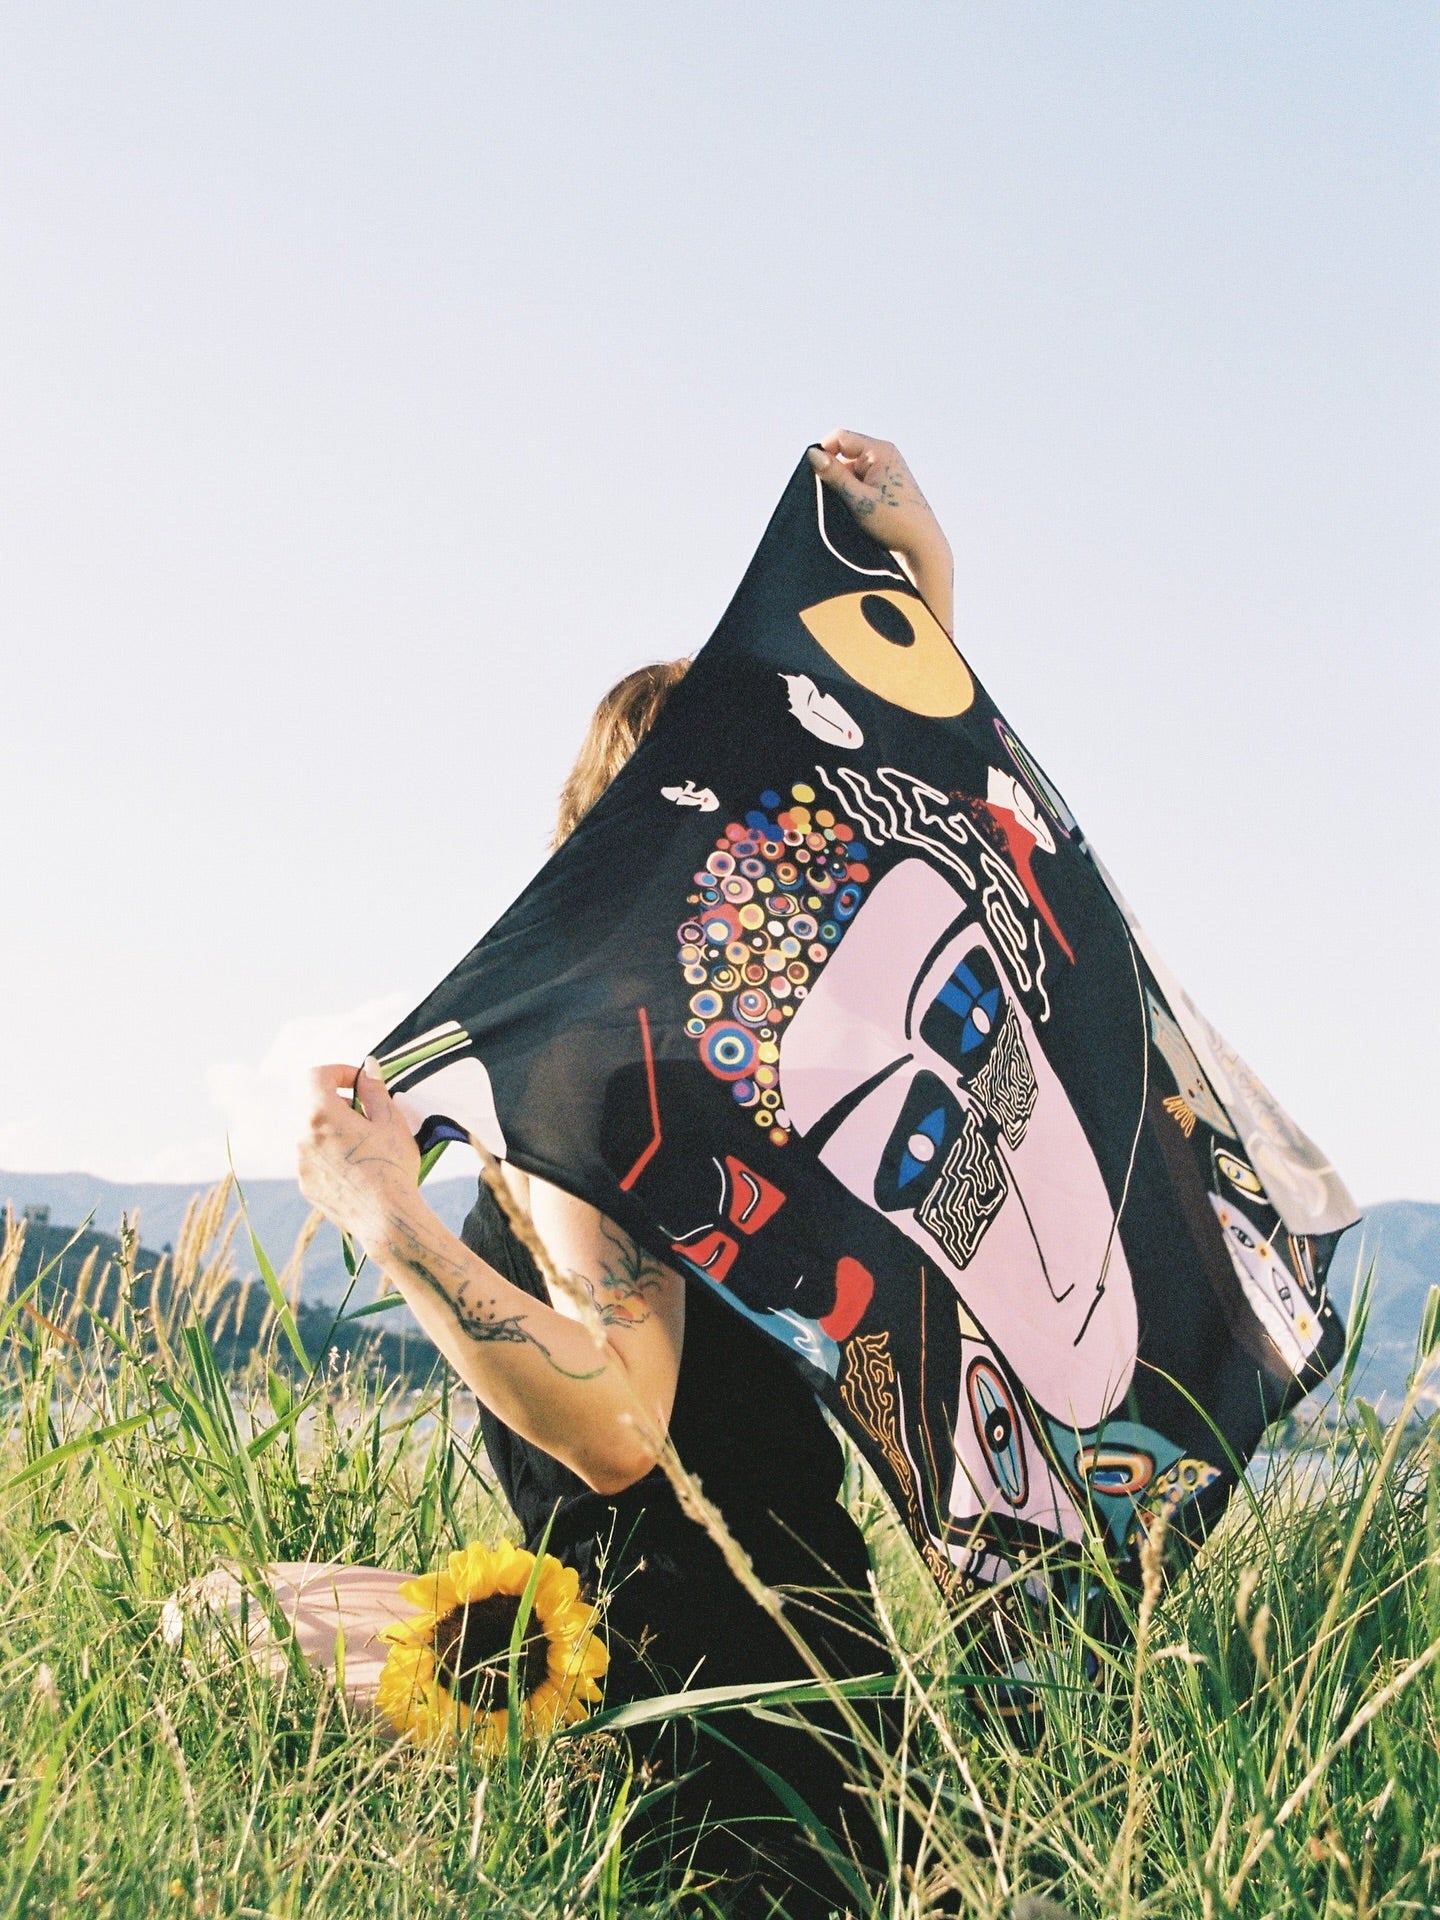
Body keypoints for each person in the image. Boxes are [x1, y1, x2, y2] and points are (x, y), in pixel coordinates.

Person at [296, 432, 956, 1917]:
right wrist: (924, 582)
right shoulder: (703, 1094)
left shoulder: (646, 1092)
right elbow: (621, 1436)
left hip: (721, 1756)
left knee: (233, 1618)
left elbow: (613, 1438)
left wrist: (391, 1221)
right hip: (797, 1720)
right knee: (243, 1611)